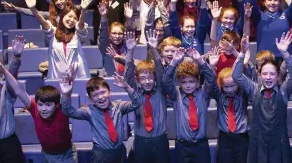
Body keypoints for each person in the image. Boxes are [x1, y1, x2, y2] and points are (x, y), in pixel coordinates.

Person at [0, 36, 78, 163]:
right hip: (46, 154)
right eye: (40, 104)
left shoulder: (63, 110)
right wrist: (4, 70)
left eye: (48, 105)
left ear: (57, 105)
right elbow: (19, 90)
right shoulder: (35, 108)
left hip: (67, 156)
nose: (43, 109)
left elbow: (66, 96)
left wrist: (68, 90)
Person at [232, 32, 292, 163]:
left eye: (272, 74)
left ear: (278, 75)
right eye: (265, 74)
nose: (268, 77)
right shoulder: (253, 90)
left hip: (279, 143)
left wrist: (285, 53)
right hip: (258, 143)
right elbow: (236, 75)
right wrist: (242, 53)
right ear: (259, 74)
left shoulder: (283, 91)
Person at [60, 64, 143, 163]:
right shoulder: (89, 112)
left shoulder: (119, 106)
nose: (100, 97)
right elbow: (68, 111)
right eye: (95, 95)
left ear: (110, 92)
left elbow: (138, 102)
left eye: (103, 92)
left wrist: (127, 87)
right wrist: (66, 94)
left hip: (120, 151)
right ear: (90, 99)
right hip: (101, 154)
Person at [163, 45, 216, 163]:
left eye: (191, 81)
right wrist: (174, 62)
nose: (187, 85)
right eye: (184, 82)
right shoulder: (176, 95)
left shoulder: (204, 93)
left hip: (201, 145)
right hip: (182, 146)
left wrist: (200, 61)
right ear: (179, 82)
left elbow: (211, 78)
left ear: (198, 81)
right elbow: (165, 81)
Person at [24, 0, 95, 80]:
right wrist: (33, 9)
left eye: (75, 18)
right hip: (57, 77)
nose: (72, 20)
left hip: (78, 76)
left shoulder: (78, 35)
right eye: (69, 16)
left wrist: (84, 10)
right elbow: (44, 23)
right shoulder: (53, 33)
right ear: (62, 17)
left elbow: (80, 25)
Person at [123, 30, 169, 163]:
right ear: (138, 80)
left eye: (150, 77)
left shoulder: (160, 90)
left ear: (155, 79)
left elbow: (160, 69)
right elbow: (128, 74)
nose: (147, 81)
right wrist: (130, 51)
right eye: (143, 78)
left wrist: (154, 49)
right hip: (141, 141)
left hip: (160, 140)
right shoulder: (135, 91)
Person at [208, 36, 252, 163]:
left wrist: (244, 62)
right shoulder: (219, 95)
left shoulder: (243, 93)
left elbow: (249, 79)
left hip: (241, 137)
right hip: (225, 137)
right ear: (222, 86)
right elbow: (210, 83)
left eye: (233, 86)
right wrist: (211, 67)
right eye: (226, 87)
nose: (230, 89)